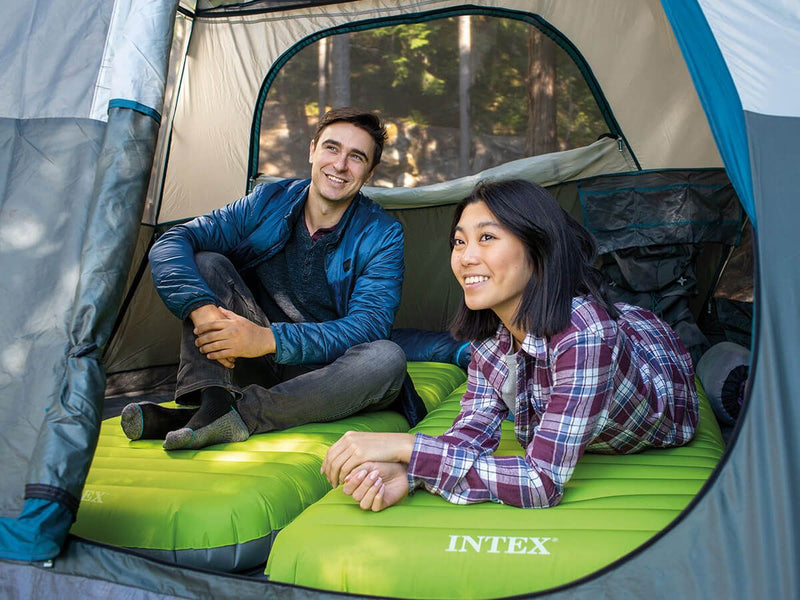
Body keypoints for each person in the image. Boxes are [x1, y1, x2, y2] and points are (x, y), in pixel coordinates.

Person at [321, 178, 699, 510]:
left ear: (538, 248)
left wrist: (404, 447)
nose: (466, 258)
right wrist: (408, 475)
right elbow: (470, 433)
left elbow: (541, 482)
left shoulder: (586, 334)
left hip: (659, 359)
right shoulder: (490, 338)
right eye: (459, 241)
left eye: (487, 237)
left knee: (715, 373)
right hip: (603, 331)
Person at [121, 107, 420, 450]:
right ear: (312, 150)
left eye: (356, 157)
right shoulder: (267, 201)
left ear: (370, 171)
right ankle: (214, 397)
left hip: (328, 377)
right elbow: (171, 242)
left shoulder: (383, 234)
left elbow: (368, 327)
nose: (339, 165)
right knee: (207, 262)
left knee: (387, 358)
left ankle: (225, 416)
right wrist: (202, 309)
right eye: (332, 148)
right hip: (251, 359)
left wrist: (269, 339)